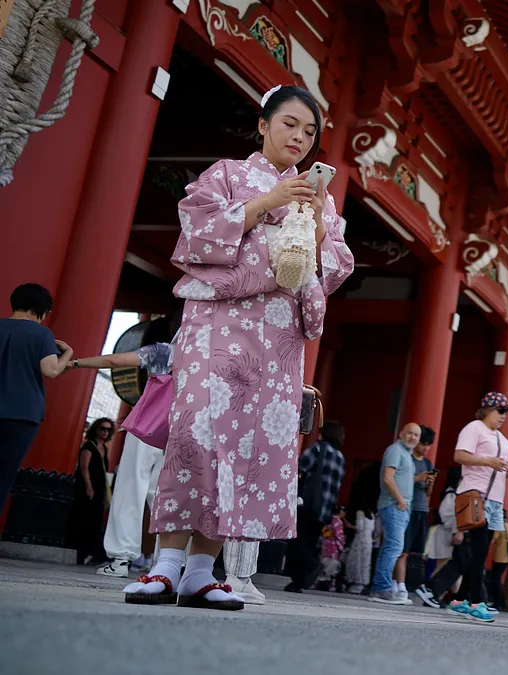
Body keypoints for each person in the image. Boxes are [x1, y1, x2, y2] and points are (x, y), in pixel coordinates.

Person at [122, 85, 354, 611]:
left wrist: (317, 228)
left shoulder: (322, 196)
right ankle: (163, 565)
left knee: (245, 447)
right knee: (197, 435)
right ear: (264, 124)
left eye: (310, 131)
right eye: (290, 124)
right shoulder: (226, 174)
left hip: (276, 341)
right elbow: (197, 232)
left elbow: (336, 266)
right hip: (218, 326)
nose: (299, 137)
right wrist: (267, 204)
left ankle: (202, 572)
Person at [68, 318, 177, 579]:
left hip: (148, 427)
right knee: (167, 495)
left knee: (131, 486)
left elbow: (115, 361)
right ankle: (170, 563)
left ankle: (121, 558)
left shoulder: (164, 351)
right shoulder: (212, 354)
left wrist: (74, 363)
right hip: (181, 431)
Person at [426, 393, 508, 623]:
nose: (504, 416)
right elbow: (459, 455)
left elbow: (496, 467)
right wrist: (489, 461)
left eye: (507, 412)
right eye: (501, 411)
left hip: (495, 500)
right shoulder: (474, 428)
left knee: (481, 552)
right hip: (474, 495)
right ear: (487, 410)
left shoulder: (503, 440)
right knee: (479, 551)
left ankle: (459, 599)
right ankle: (477, 602)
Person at [0, 283, 72, 509]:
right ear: (37, 309)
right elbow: (50, 371)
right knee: (3, 474)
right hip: (22, 415)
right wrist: (67, 353)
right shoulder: (42, 334)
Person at [286, 421, 346, 593]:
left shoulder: (318, 449)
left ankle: (311, 566)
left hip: (308, 503)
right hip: (325, 508)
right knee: (310, 541)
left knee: (297, 540)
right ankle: (298, 582)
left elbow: (299, 466)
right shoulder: (340, 457)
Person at [369, 423, 419, 605]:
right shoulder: (395, 450)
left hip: (400, 507)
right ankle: (383, 587)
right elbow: (388, 478)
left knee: (390, 547)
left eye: (416, 435)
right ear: (401, 434)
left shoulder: (407, 454)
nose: (413, 437)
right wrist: (400, 500)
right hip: (393, 505)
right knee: (394, 547)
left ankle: (379, 587)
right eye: (410, 433)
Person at [67, 418, 114, 565]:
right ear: (96, 429)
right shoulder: (89, 446)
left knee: (97, 520)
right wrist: (88, 487)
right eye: (102, 428)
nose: (105, 432)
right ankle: (81, 552)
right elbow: (83, 467)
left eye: (108, 429)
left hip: (99, 488)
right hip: (88, 488)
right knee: (84, 519)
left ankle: (94, 552)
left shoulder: (104, 448)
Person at [419, 466, 463, 606]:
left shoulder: (453, 493)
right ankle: (432, 593)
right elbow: (447, 515)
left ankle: (442, 595)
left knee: (449, 566)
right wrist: (456, 530)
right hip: (446, 532)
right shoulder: (451, 494)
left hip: (447, 531)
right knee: (443, 565)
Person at [399, 425, 435, 593]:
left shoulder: (427, 463)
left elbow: (428, 493)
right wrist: (418, 477)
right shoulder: (408, 459)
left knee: (417, 550)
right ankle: (398, 582)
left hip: (422, 509)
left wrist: (430, 483)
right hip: (409, 507)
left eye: (428, 445)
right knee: (403, 548)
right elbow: (402, 482)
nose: (425, 448)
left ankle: (412, 582)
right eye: (423, 444)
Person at [342, 494, 377, 595]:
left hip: (360, 539)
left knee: (355, 560)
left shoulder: (360, 513)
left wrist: (348, 524)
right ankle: (363, 583)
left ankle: (355, 582)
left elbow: (359, 527)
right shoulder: (371, 514)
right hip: (369, 540)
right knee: (365, 562)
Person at [487, 514, 508, 611]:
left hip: (499, 556)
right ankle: (502, 602)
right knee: (499, 579)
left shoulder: (499, 527)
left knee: (496, 579)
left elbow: (493, 540)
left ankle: (498, 602)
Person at [315, 507, 346, 591]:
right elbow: (339, 535)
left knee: (324, 561)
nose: (344, 514)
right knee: (332, 564)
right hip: (333, 544)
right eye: (343, 511)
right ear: (340, 512)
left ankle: (320, 581)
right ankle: (328, 583)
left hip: (326, 543)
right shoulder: (338, 521)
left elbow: (324, 531)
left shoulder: (328, 518)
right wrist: (341, 545)